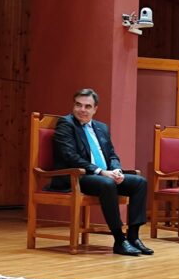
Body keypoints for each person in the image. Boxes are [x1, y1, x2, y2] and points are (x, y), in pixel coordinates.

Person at [51, 88, 152, 256]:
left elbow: (111, 154)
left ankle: (133, 237)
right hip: (77, 176)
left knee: (139, 182)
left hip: (104, 176)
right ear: (73, 106)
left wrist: (116, 170)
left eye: (87, 106)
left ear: (95, 109)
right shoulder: (66, 124)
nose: (82, 110)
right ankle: (119, 240)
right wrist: (101, 172)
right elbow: (70, 156)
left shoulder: (101, 128)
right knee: (107, 183)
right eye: (78, 105)